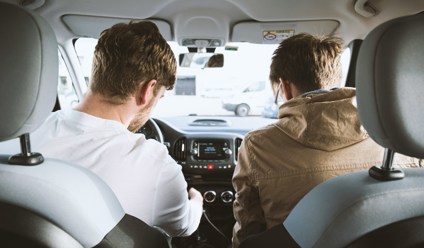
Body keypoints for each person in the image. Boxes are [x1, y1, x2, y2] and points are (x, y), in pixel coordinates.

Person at [231, 33, 419, 248]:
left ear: (284, 86)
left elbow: (248, 227)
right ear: (335, 80)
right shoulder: (402, 137)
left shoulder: (257, 145)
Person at [29, 21, 203, 237]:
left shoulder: (23, 136)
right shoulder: (155, 163)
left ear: (98, 73)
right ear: (148, 90)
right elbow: (183, 227)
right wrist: (196, 200)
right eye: (160, 96)